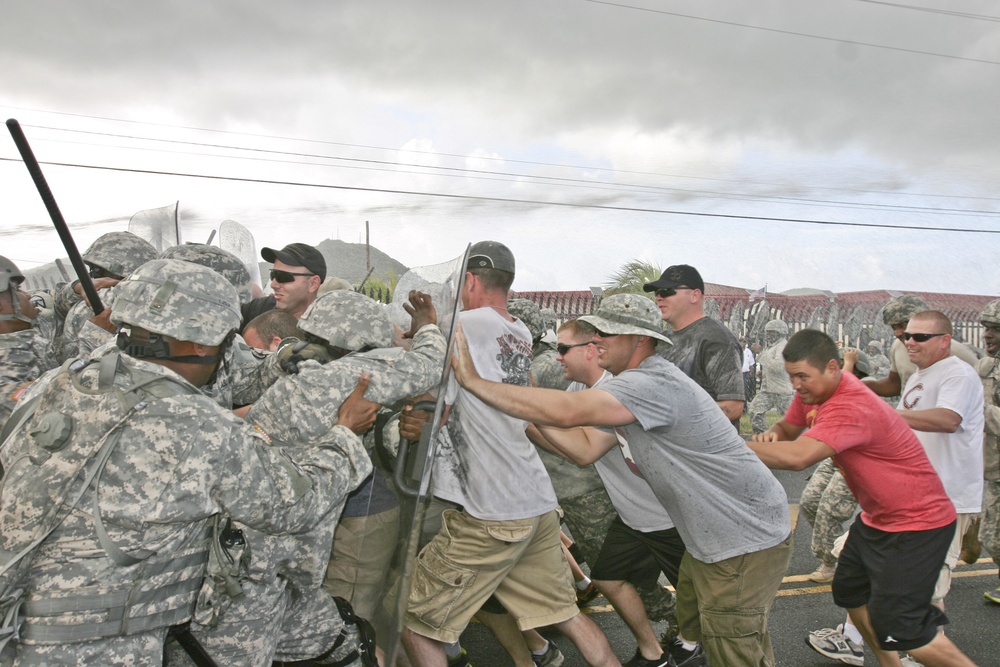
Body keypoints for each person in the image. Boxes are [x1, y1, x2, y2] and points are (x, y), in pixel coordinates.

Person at [0, 258, 376, 667]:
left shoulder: (61, 381)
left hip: (19, 626)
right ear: (202, 342)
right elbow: (294, 505)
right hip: (100, 645)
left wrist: (280, 362)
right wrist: (345, 435)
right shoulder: (191, 421)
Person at [451, 291, 792, 667]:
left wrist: (474, 380)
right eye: (595, 332)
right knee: (727, 631)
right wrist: (523, 414)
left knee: (733, 642)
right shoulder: (629, 383)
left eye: (607, 334)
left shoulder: (648, 384)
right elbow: (582, 449)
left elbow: (568, 412)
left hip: (741, 534)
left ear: (640, 339)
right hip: (716, 534)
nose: (596, 340)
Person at [401, 241, 620, 667]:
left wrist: (425, 326)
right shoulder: (517, 331)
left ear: (468, 279)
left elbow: (425, 380)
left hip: (491, 510)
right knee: (566, 614)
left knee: (412, 620)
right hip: (534, 501)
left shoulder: (464, 326)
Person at [748, 329, 978, 667]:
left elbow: (798, 457)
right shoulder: (813, 392)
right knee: (851, 591)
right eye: (791, 377)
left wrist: (729, 445)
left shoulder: (851, 404)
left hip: (918, 523)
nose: (795, 385)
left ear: (831, 367)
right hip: (878, 518)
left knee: (909, 634)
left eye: (801, 377)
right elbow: (787, 430)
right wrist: (772, 435)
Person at [549, 317, 697, 666]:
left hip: (664, 515)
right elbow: (565, 443)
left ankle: (699, 645)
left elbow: (583, 451)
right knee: (607, 577)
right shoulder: (578, 391)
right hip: (633, 515)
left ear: (588, 351)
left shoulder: (618, 390)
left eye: (561, 349)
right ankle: (653, 651)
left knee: (699, 595)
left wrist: (523, 415)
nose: (557, 357)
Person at [896, 310, 984, 618]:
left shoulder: (956, 373)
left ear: (945, 341)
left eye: (920, 337)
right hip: (910, 494)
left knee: (927, 588)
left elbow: (949, 420)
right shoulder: (921, 376)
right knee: (867, 566)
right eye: (907, 335)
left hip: (945, 498)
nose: (910, 342)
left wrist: (888, 415)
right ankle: (852, 639)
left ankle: (922, 657)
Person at [643, 264, 744, 427]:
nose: (659, 297)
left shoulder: (716, 339)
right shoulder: (662, 339)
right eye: (657, 292)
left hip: (706, 449)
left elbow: (732, 407)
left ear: (695, 295)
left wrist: (668, 418)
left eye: (667, 291)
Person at [864, 295, 978, 400]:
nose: (897, 333)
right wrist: (860, 385)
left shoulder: (957, 352)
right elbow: (895, 385)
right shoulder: (898, 347)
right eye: (894, 327)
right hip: (909, 418)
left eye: (903, 325)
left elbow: (978, 396)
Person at [0, 255, 56, 428]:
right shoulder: (6, 369)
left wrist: (75, 288)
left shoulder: (21, 340)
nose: (27, 295)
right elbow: (56, 418)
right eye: (17, 289)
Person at [241, 242, 327, 324]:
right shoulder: (260, 308)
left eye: (283, 276)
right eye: (273, 274)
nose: (273, 285)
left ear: (313, 284)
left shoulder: (329, 327)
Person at [977, 298, 1000, 604]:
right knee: (991, 536)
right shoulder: (985, 366)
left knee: (992, 535)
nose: (987, 335)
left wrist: (979, 410)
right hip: (992, 464)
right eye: (986, 329)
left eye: (996, 329)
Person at [747, 319, 793, 434]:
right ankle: (763, 437)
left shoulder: (782, 346)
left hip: (782, 392)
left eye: (771, 332)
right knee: (754, 411)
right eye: (767, 332)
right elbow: (772, 365)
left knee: (792, 420)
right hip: (768, 391)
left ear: (780, 333)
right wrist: (764, 373)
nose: (767, 335)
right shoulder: (773, 346)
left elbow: (778, 366)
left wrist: (761, 353)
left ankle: (803, 440)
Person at [741, 335, 756, 405]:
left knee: (745, 391)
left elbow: (751, 364)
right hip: (738, 374)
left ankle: (744, 406)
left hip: (745, 374)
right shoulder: (737, 350)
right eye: (741, 341)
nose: (742, 343)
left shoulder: (748, 352)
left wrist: (750, 374)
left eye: (744, 341)